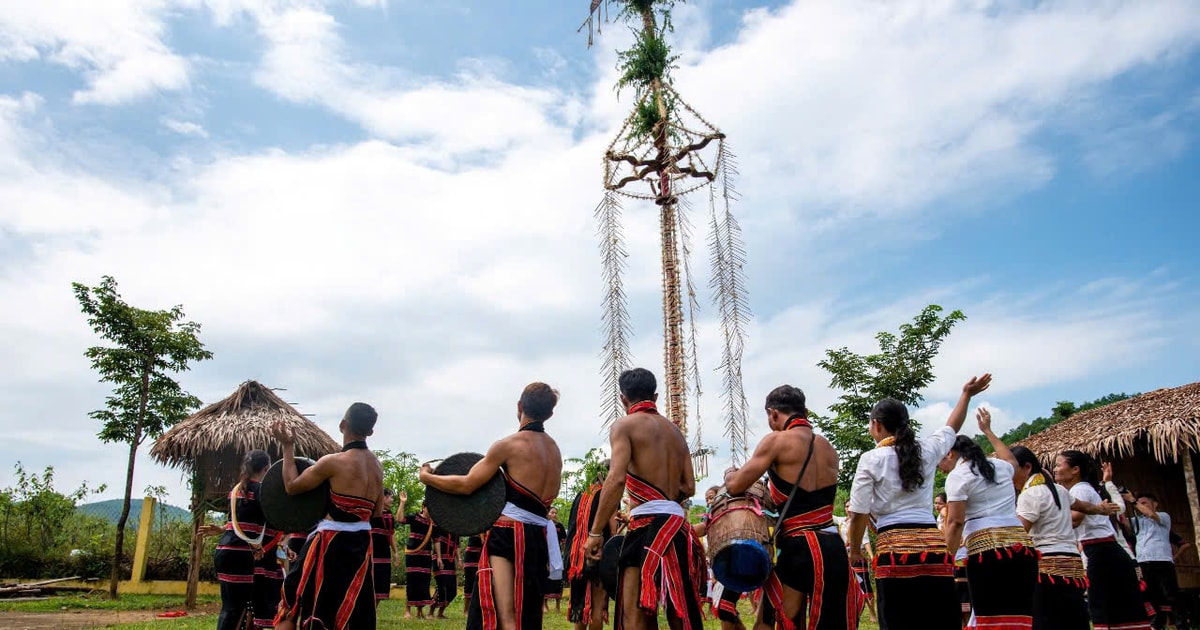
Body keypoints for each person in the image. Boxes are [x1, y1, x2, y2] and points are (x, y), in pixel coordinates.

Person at [845, 373, 992, 630]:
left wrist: (855, 550)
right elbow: (951, 427)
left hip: (894, 551)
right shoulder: (927, 449)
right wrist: (966, 395)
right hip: (933, 548)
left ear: (877, 425)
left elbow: (858, 513)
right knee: (938, 621)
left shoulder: (871, 459)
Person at [420, 382, 564, 630]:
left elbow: (467, 485)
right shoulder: (554, 450)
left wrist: (428, 478)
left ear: (519, 406)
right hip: (538, 537)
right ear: (550, 414)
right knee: (529, 611)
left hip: (509, 535)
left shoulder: (508, 445)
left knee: (505, 614)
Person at [724, 384, 860, 630]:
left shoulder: (776, 441)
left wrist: (729, 474)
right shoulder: (828, 448)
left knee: (772, 618)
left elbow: (735, 486)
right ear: (804, 411)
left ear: (773, 413)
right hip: (832, 547)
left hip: (799, 547)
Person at [584, 368, 703, 630]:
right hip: (676, 529)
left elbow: (615, 480)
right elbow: (690, 486)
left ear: (623, 399)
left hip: (644, 529)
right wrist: (666, 498)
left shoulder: (624, 426)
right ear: (656, 396)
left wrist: (594, 533)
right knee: (680, 609)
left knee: (634, 613)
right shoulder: (675, 433)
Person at [273, 403, 384, 630]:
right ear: (370, 432)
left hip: (330, 546)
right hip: (361, 546)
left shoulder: (333, 462)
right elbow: (378, 512)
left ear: (343, 425)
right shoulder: (377, 467)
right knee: (351, 610)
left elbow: (292, 486)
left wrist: (287, 446)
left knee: (293, 600)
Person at [941, 409, 1038, 629]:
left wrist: (947, 561)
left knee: (991, 618)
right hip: (1022, 549)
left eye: (940, 460)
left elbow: (955, 523)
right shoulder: (1000, 468)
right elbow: (1011, 460)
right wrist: (988, 431)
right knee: (1020, 618)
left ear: (949, 454)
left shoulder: (958, 476)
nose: (940, 467)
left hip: (988, 553)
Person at [1056, 450, 1151, 630]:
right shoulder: (1081, 489)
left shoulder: (1079, 489)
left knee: (1101, 605)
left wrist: (1044, 518)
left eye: (1059, 465)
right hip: (1104, 550)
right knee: (1115, 608)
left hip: (1100, 552)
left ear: (1075, 469)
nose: (1055, 469)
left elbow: (1075, 519)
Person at [214, 449, 284, 630]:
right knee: (237, 609)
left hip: (224, 550)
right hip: (241, 554)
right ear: (267, 468)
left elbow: (241, 522)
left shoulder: (235, 490)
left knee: (229, 607)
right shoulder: (262, 491)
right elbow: (276, 523)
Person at [1129, 492, 1192, 630]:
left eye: (1144, 503)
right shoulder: (1136, 521)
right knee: (1150, 596)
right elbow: (1121, 522)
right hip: (1143, 562)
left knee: (1171, 596)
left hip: (1162, 561)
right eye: (1140, 503)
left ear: (1155, 504)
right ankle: (1157, 625)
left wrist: (1133, 501)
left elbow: (1152, 515)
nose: (1141, 506)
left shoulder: (1163, 516)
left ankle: (1182, 626)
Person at [566, 460, 616, 630]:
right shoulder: (607, 495)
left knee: (579, 607)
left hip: (576, 558)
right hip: (596, 555)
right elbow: (613, 529)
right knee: (597, 606)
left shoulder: (582, 494)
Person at [694, 486, 744, 630]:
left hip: (737, 564)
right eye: (706, 499)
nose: (709, 502)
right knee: (728, 609)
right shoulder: (713, 515)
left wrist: (679, 527)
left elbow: (702, 528)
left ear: (720, 496)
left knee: (725, 608)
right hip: (726, 566)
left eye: (711, 497)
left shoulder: (723, 512)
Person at [836, 499, 876, 626]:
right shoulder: (841, 521)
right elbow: (828, 516)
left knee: (864, 585)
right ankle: (851, 610)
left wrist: (872, 556)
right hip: (845, 557)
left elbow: (865, 540)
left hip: (858, 556)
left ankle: (872, 612)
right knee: (846, 584)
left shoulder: (860, 522)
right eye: (846, 506)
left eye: (850, 506)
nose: (848, 509)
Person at [399, 498, 436, 620]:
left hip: (426, 556)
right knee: (412, 581)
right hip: (413, 554)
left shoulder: (433, 523)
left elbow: (436, 540)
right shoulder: (415, 517)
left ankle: (420, 611)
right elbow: (400, 519)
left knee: (423, 582)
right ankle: (407, 610)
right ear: (423, 507)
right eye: (428, 508)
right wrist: (402, 503)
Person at [370, 488, 398, 606]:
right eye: (390, 497)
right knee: (370, 583)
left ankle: (373, 612)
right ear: (384, 498)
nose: (392, 500)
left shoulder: (390, 516)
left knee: (381, 584)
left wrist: (396, 552)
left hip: (384, 554)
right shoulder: (371, 512)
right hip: (371, 552)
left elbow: (391, 535)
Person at [542, 507, 567, 613]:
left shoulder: (560, 527)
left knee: (557, 581)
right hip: (545, 555)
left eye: (556, 513)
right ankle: (545, 605)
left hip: (557, 556)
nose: (554, 514)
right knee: (545, 579)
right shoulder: (544, 525)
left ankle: (557, 606)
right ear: (548, 514)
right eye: (552, 512)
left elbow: (564, 542)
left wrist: (561, 555)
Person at [433, 525, 459, 618]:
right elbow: (436, 541)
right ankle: (431, 612)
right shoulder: (439, 526)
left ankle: (440, 613)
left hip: (450, 561)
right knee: (441, 587)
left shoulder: (456, 530)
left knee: (452, 591)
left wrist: (459, 560)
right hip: (439, 559)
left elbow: (457, 546)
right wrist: (439, 558)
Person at [463, 534, 484, 613]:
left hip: (481, 556)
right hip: (471, 557)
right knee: (469, 583)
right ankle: (466, 609)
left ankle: (477, 608)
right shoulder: (476, 527)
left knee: (480, 583)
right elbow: (483, 541)